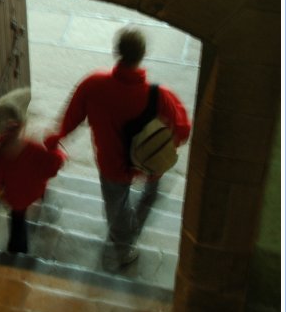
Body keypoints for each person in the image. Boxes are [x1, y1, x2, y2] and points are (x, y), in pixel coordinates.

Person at [44, 27, 191, 266]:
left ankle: (123, 246)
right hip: (150, 163)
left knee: (116, 205)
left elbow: (71, 117)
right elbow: (183, 130)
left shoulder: (93, 84)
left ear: (117, 52)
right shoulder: (160, 95)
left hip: (112, 164)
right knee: (152, 192)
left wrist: (56, 137)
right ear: (143, 55)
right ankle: (141, 212)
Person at [0, 91, 66, 254]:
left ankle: (18, 252)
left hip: (15, 200)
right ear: (22, 126)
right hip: (35, 189)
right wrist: (54, 148)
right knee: (43, 193)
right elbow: (54, 166)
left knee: (17, 226)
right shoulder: (34, 150)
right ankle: (50, 210)